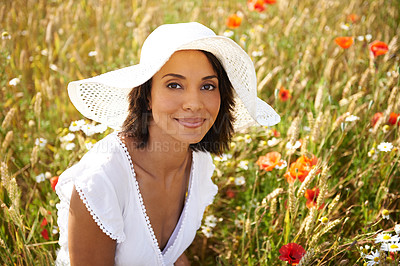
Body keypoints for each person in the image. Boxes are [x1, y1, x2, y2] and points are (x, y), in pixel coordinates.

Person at [55, 22, 280, 266]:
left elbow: (168, 255)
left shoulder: (198, 162)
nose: (194, 103)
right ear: (147, 95)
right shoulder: (102, 179)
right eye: (174, 85)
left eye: (207, 86)